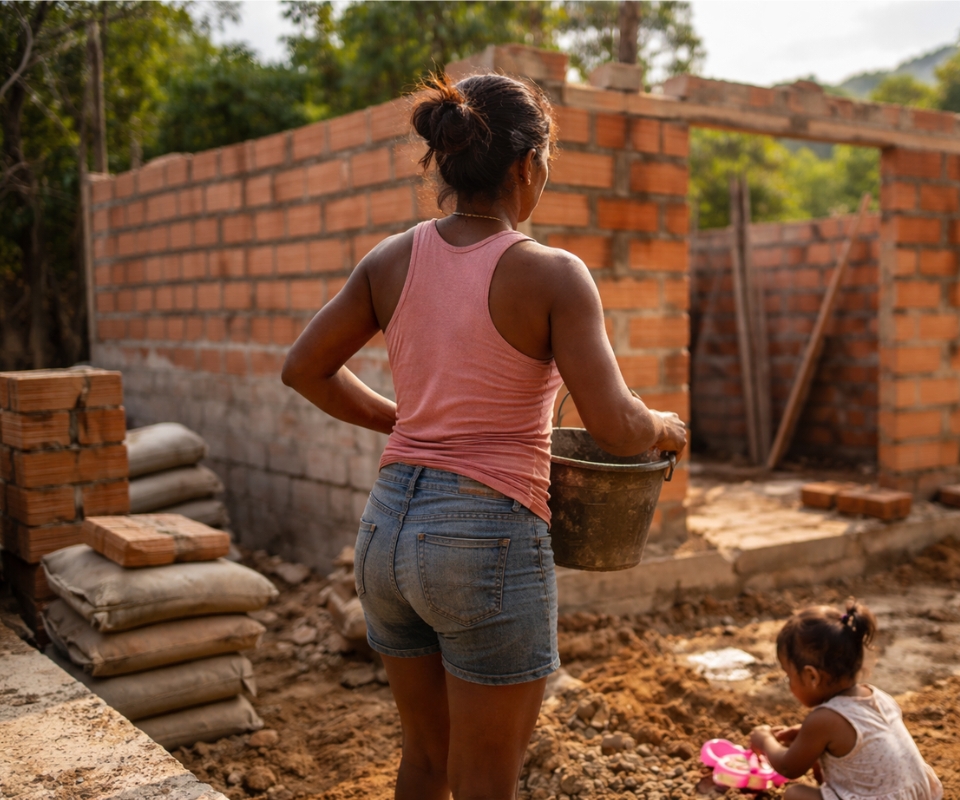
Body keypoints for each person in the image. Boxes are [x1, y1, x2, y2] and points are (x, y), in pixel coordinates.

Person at [281, 71, 687, 800]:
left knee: (426, 761)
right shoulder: (552, 274)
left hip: (385, 531)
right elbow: (616, 428)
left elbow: (304, 369)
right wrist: (664, 426)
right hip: (482, 540)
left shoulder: (390, 259)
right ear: (527, 165)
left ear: (446, 158)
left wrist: (404, 422)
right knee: (485, 782)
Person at [748, 601, 943, 800]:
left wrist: (764, 741)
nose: (789, 684)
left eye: (789, 676)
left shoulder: (823, 720)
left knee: (795, 794)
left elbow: (788, 768)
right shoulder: (877, 696)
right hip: (919, 796)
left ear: (812, 676)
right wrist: (805, 735)